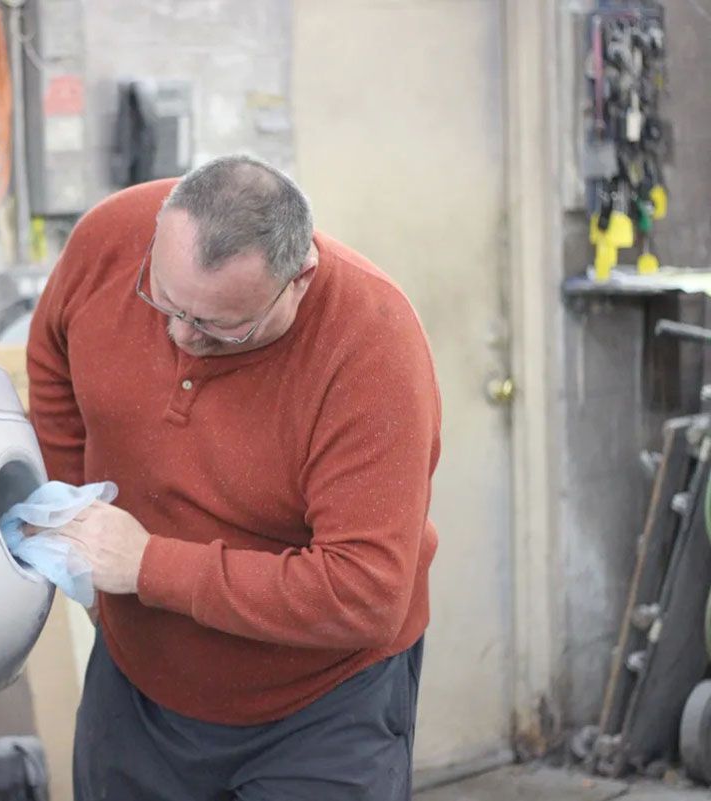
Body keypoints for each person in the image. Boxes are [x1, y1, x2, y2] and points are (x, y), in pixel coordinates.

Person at [27, 154, 440, 800]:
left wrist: (146, 566)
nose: (182, 336)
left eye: (221, 327)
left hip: (319, 708)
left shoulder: (371, 344)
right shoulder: (112, 238)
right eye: (164, 302)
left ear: (299, 278)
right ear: (159, 232)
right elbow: (52, 349)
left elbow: (363, 590)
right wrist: (70, 510)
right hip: (139, 682)